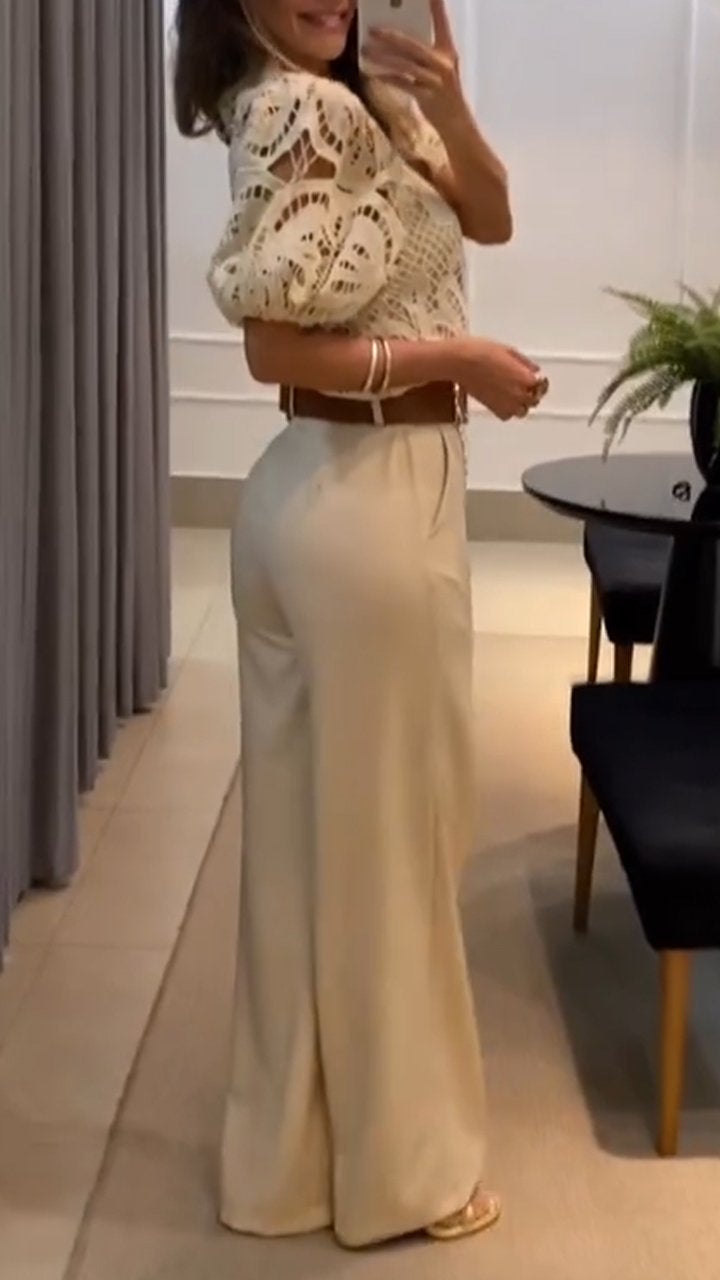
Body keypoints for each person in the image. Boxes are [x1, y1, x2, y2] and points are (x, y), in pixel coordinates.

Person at [173, 0, 547, 1250]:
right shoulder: (303, 110)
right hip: (369, 510)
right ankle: (407, 1175)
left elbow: (492, 213)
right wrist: (459, 359)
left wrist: (446, 97)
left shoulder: (347, 102)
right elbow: (275, 348)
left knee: (302, 861)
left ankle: (280, 1166)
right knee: (395, 853)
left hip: (319, 510)